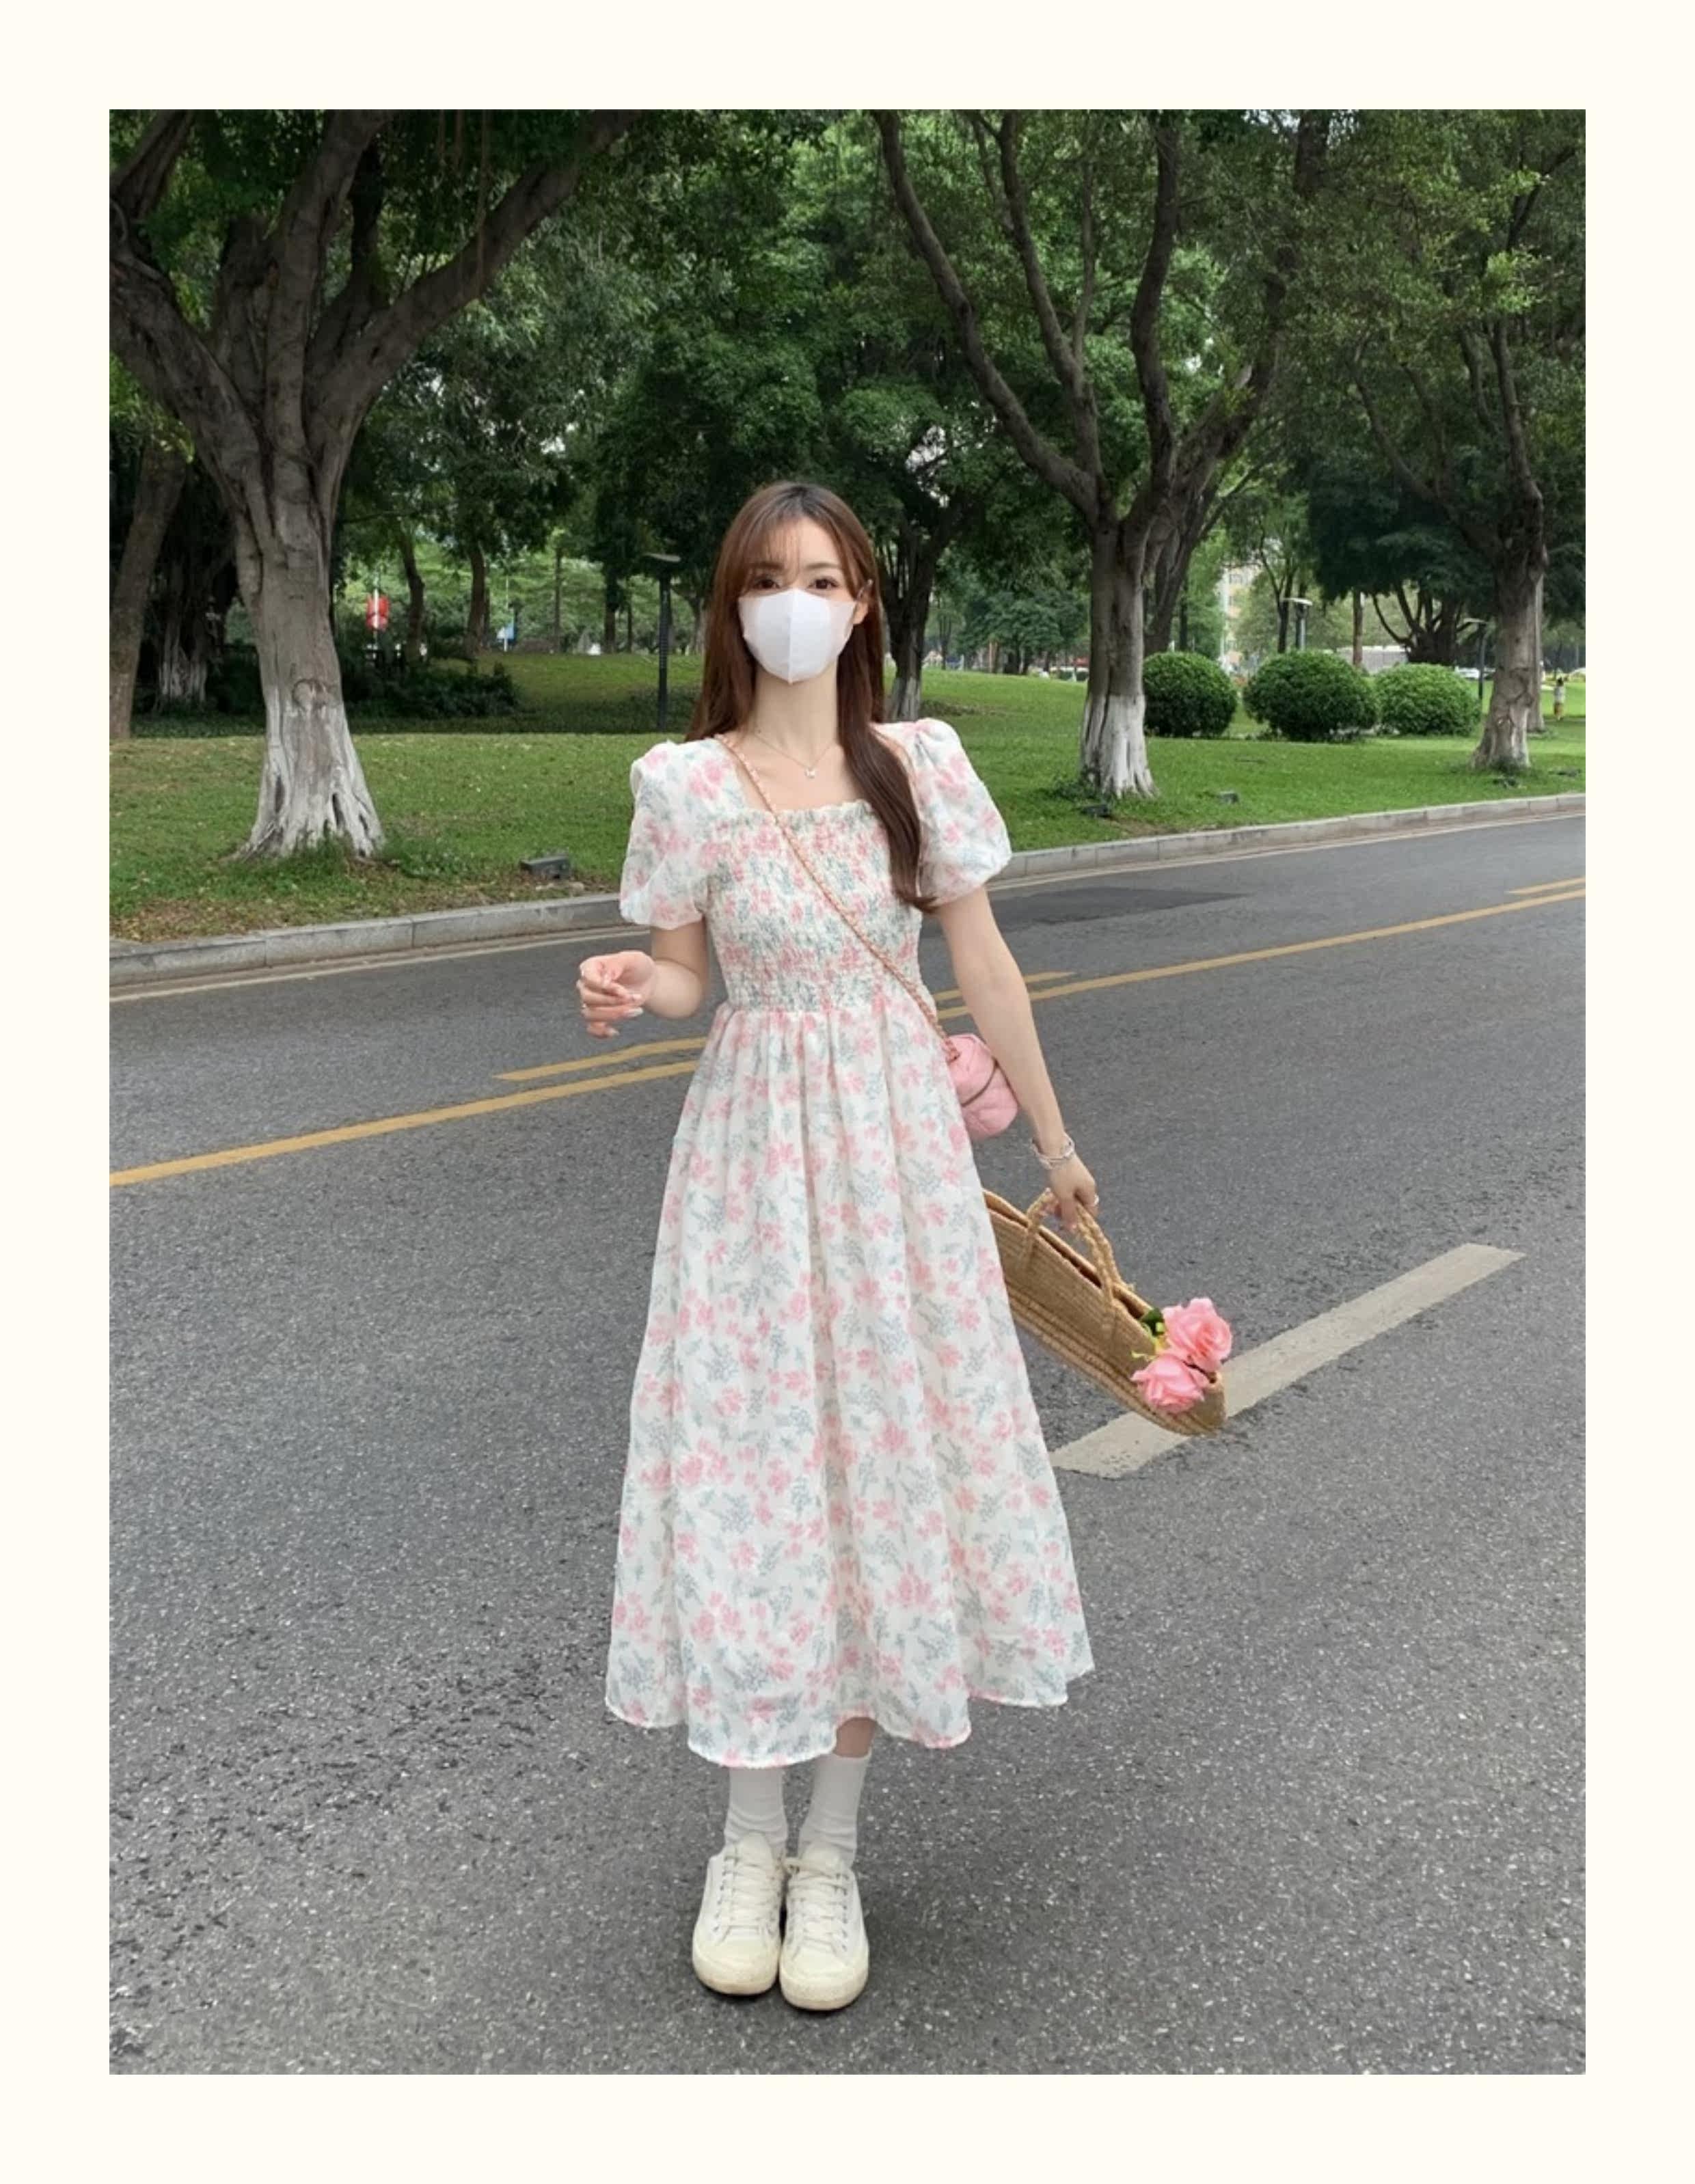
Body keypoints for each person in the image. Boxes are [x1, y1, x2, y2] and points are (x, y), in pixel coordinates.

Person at [575, 480, 1098, 2014]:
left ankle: (834, 1850)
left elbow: (982, 962)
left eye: (821, 578)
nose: (793, 604)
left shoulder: (918, 766)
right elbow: (689, 978)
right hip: (751, 1162)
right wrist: (634, 985)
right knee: (756, 1481)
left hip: (897, 1165)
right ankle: (748, 1843)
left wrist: (1058, 1149)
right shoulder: (685, 784)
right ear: (731, 605)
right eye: (767, 578)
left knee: (879, 1476)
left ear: (862, 600)